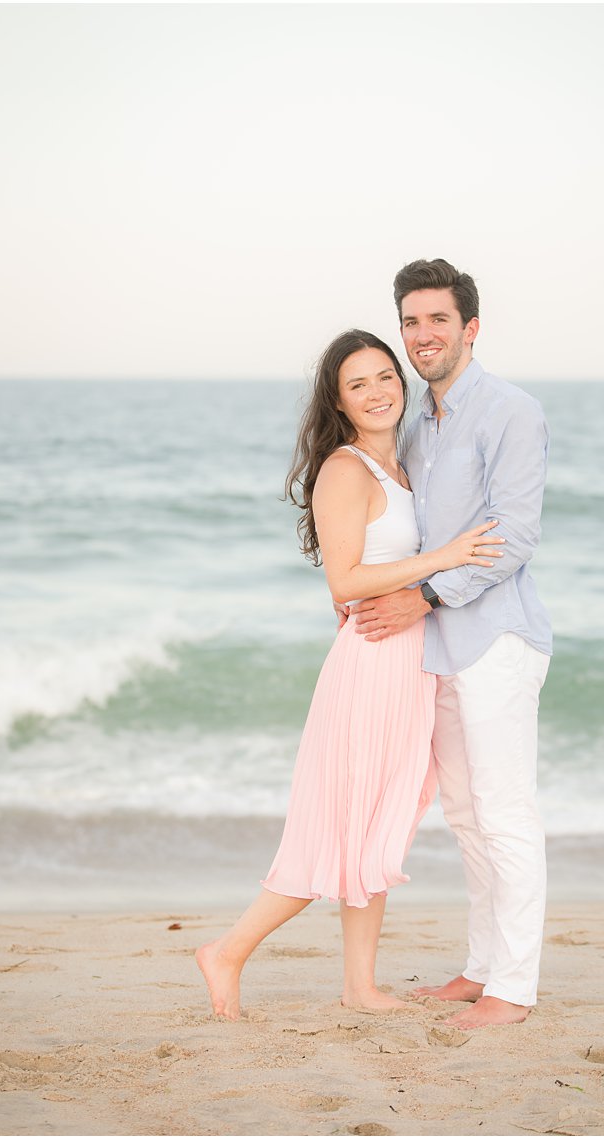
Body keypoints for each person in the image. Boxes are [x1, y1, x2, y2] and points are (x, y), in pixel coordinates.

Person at [196, 329, 502, 1020]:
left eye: (384, 376)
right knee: (336, 831)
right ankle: (227, 950)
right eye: (357, 384)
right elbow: (345, 577)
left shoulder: (402, 467)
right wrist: (445, 555)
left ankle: (360, 986)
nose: (376, 392)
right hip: (369, 666)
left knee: (379, 830)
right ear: (338, 400)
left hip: (409, 664)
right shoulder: (345, 468)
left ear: (403, 381)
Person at [347, 259, 553, 1029]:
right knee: (466, 814)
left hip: (497, 638)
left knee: (505, 811)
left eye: (438, 319)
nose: (422, 334)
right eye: (411, 321)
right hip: (437, 647)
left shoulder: (509, 411)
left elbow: (514, 536)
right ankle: (479, 967)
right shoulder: (415, 425)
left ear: (470, 327)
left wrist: (425, 595)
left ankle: (515, 986)